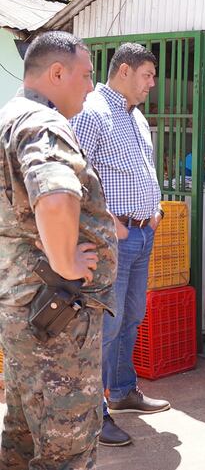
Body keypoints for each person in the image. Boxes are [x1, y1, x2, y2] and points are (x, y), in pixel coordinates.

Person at [0, 31, 117, 469]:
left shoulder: (9, 116)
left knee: (24, 434)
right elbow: (53, 192)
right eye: (86, 75)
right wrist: (65, 260)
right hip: (58, 319)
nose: (90, 86)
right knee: (66, 447)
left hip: (24, 307)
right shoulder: (44, 123)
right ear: (56, 72)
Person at [71, 42, 170, 447]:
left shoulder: (137, 117)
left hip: (142, 233)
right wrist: (110, 221)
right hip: (114, 237)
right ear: (124, 71)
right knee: (106, 327)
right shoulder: (94, 111)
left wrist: (157, 207)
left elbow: (146, 169)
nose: (151, 84)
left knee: (131, 316)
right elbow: (75, 172)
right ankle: (95, 412)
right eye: (147, 75)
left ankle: (124, 389)